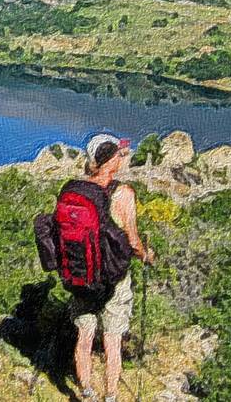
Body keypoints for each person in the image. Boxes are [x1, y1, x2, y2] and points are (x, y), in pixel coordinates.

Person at [71, 134, 154, 402]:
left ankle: (86, 392)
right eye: (119, 155)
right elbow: (132, 239)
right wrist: (146, 255)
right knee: (112, 339)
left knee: (84, 336)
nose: (122, 158)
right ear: (111, 160)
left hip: (83, 275)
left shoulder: (77, 192)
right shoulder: (124, 193)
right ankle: (111, 396)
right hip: (114, 278)